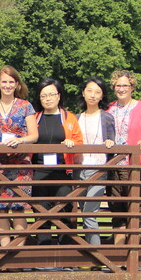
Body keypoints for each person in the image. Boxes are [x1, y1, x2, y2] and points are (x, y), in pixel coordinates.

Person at [0, 65, 38, 247]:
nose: (7, 85)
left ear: (17, 84)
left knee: (19, 208)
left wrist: (21, 141)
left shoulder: (26, 106)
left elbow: (34, 135)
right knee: (0, 209)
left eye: (11, 82)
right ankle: (4, 252)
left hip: (20, 164)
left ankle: (18, 253)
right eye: (4, 82)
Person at [106, 70, 141, 246]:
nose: (121, 89)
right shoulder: (109, 108)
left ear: (132, 87)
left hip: (133, 166)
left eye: (125, 85)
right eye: (118, 85)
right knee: (117, 211)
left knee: (134, 210)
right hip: (113, 166)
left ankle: (135, 255)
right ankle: (119, 253)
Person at [32, 78, 83, 245]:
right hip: (39, 172)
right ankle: (43, 252)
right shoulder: (34, 118)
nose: (48, 98)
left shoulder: (69, 118)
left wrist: (72, 145)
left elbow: (79, 143)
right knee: (41, 212)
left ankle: (66, 252)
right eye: (43, 95)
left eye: (51, 94)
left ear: (59, 96)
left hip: (62, 171)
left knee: (64, 211)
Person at [77, 77, 116, 245]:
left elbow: (112, 142)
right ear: (83, 93)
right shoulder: (75, 117)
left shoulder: (107, 118)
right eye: (89, 91)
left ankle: (95, 254)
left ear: (102, 96)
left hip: (99, 169)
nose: (93, 95)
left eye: (97, 92)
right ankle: (89, 253)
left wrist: (110, 143)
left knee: (89, 211)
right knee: (82, 210)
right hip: (79, 168)